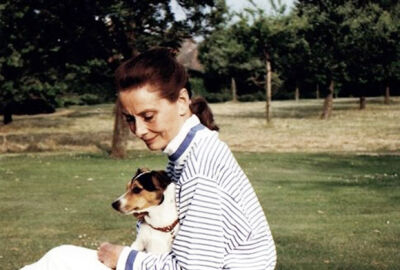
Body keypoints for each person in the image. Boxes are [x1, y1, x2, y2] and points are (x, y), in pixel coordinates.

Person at [21, 47, 276, 270]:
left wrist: (124, 259)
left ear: (182, 101)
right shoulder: (189, 153)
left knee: (59, 261)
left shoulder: (200, 166)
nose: (139, 130)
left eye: (148, 116)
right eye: (130, 119)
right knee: (59, 259)